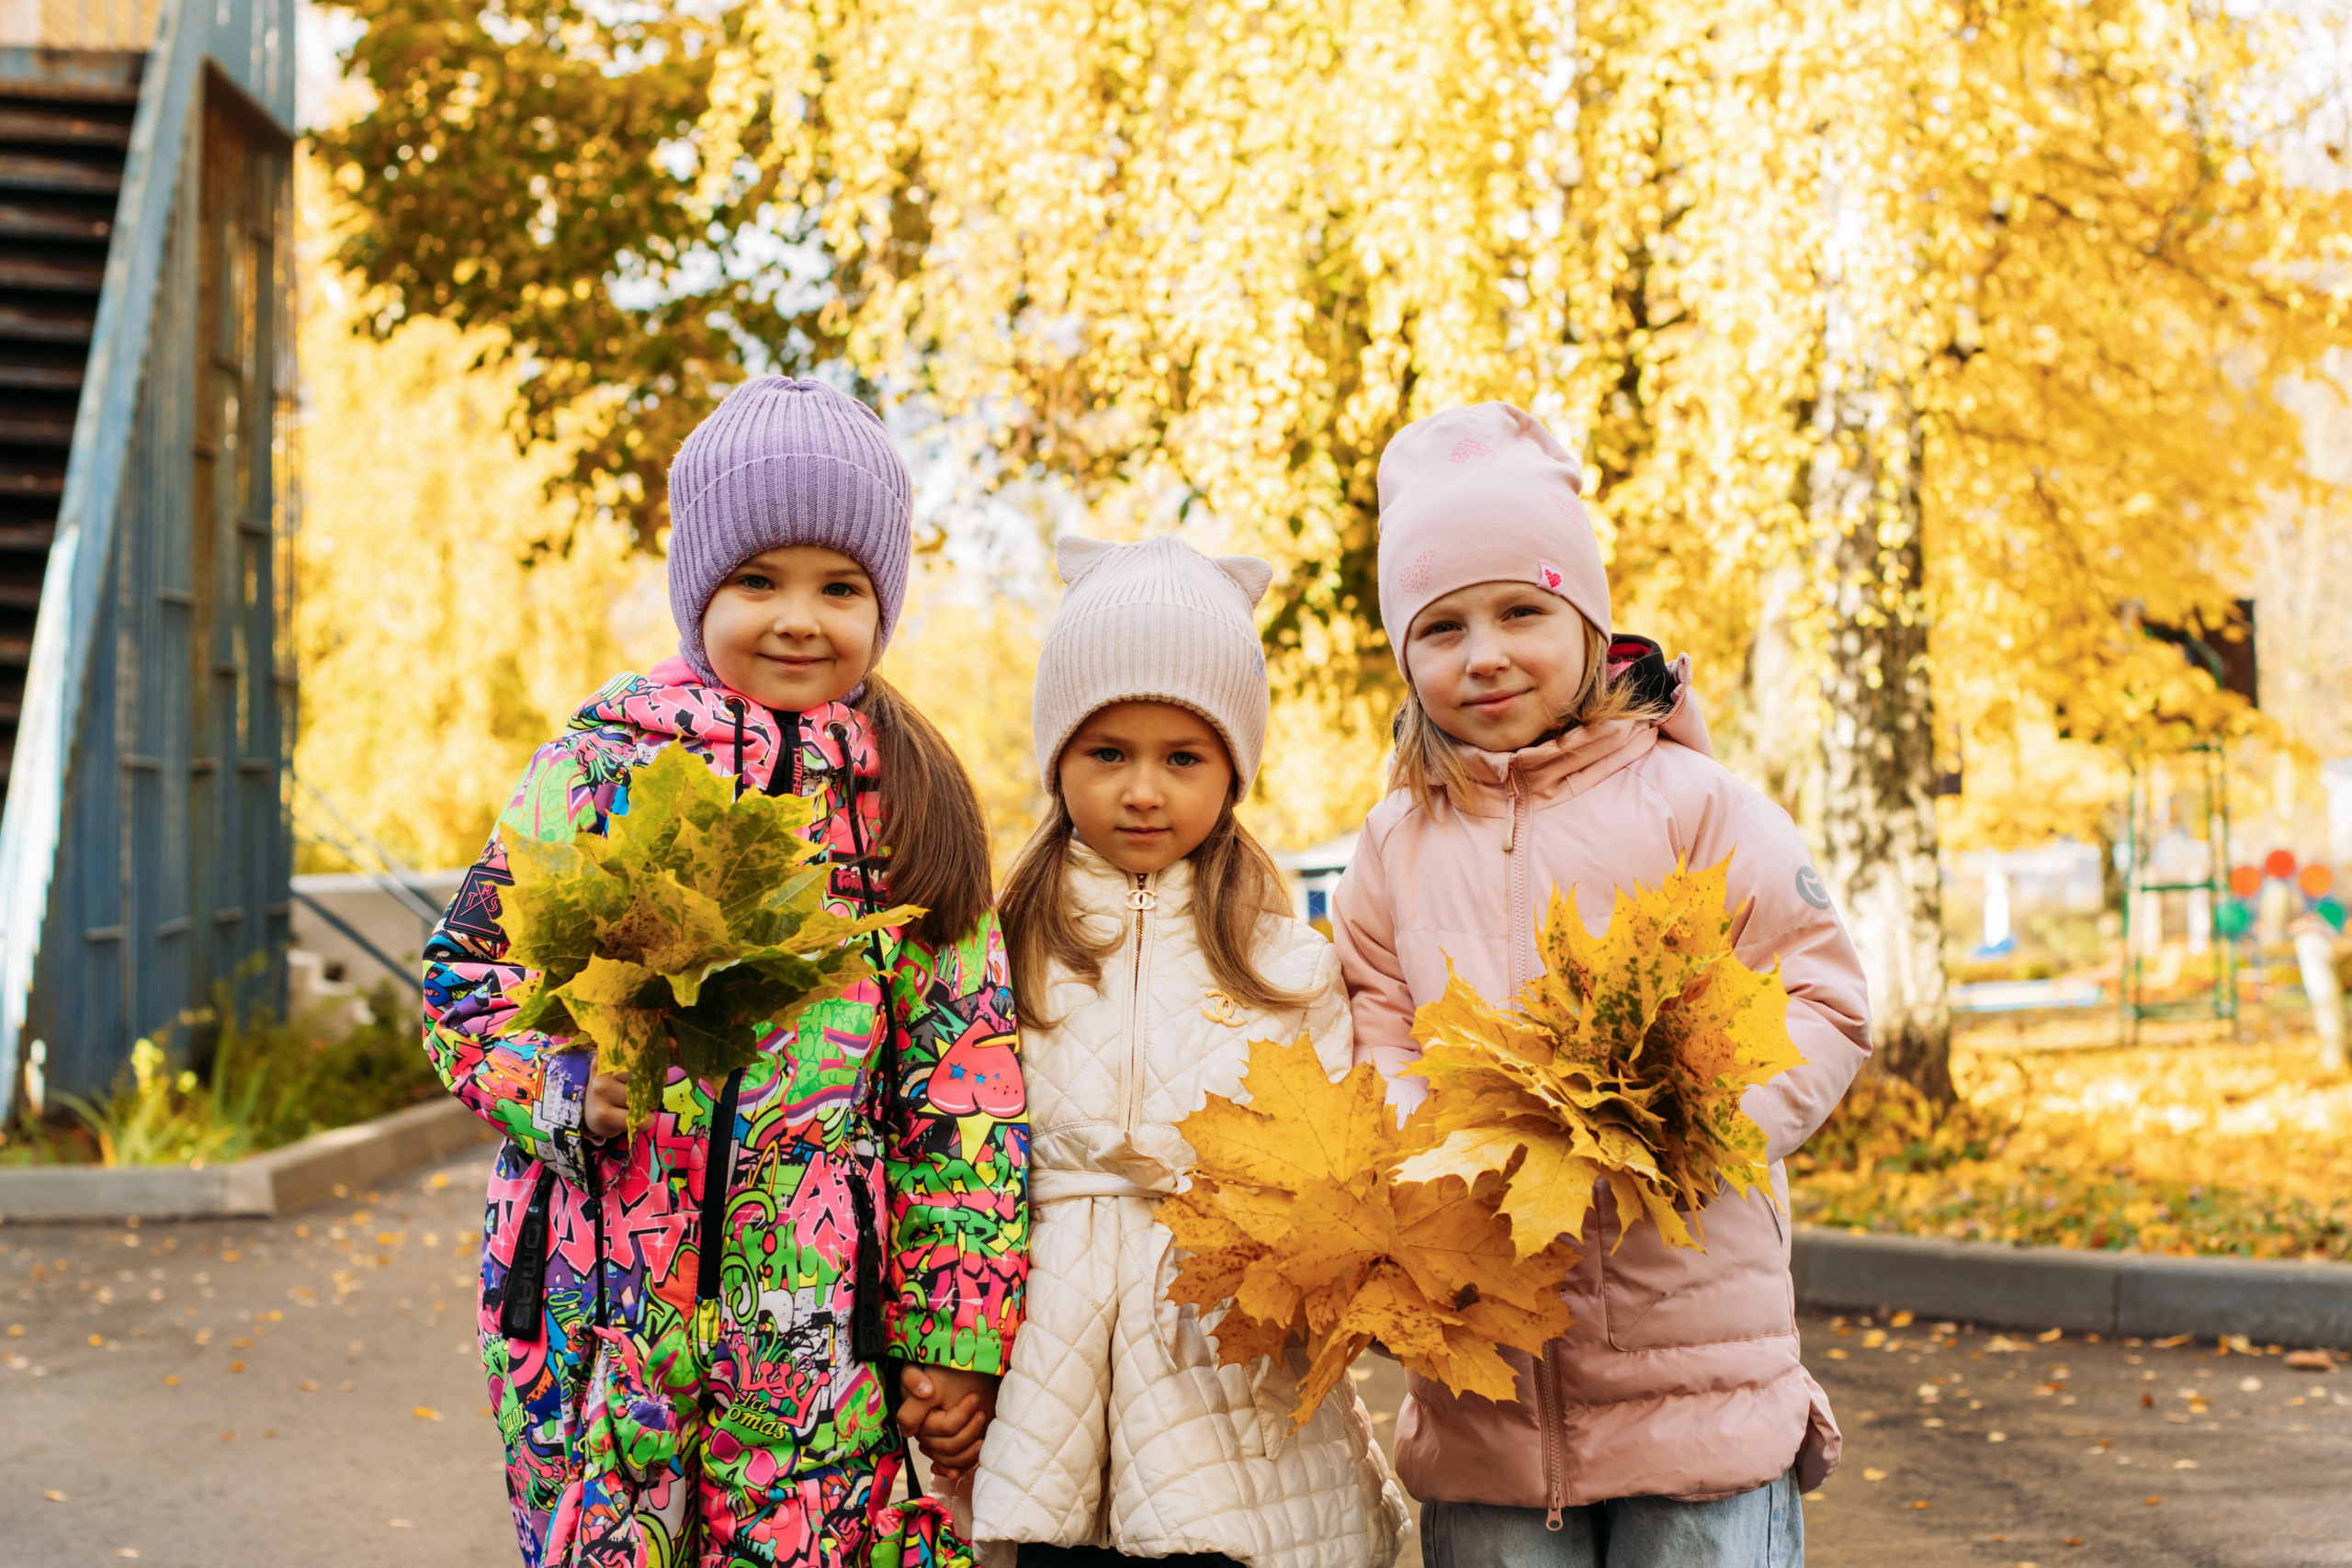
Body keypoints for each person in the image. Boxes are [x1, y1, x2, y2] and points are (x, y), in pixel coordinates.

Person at [421, 378, 1029, 1567]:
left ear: (882, 604)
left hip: (803, 1308)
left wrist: (955, 1329)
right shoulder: (598, 768)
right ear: (701, 589)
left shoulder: (906, 809)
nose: (799, 617)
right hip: (598, 1308)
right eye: (760, 580)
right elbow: (463, 979)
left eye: (839, 586)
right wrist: (556, 1081)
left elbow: (962, 1092)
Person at [1330, 403, 1871, 1567]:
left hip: (1699, 1376)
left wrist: (1700, 1122)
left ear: (1587, 623)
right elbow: (1374, 1022)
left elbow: (1818, 994)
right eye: (1440, 627)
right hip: (1486, 1388)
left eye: (1521, 611)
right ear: (1403, 655)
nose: (1484, 654)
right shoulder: (1392, 842)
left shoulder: (1695, 805)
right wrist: (1421, 1166)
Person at [958, 536, 1407, 1568]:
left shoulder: (1286, 963)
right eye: (1107, 753)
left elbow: (1335, 1164)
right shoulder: (1000, 944)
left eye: (1183, 757)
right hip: (1050, 1354)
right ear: (1059, 761)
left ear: (1233, 771)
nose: (1144, 790)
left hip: (1222, 1370)